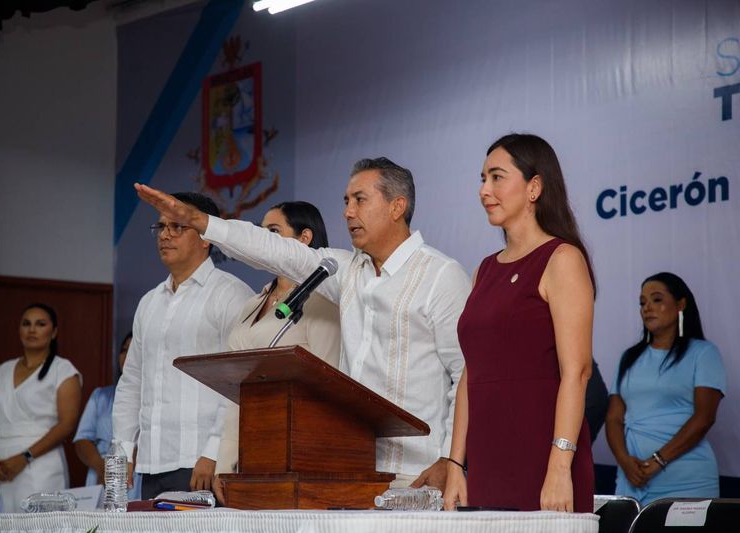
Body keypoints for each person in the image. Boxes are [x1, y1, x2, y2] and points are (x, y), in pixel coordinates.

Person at [135, 158, 470, 490]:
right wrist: (201, 222)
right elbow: (273, 250)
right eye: (345, 201)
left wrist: (450, 460)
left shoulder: (441, 275)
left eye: (359, 199)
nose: (348, 212)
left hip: (420, 475)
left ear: (397, 207)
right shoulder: (344, 270)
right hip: (354, 471)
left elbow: (465, 376)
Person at [445, 133, 595, 512]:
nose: (484, 190)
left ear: (534, 187)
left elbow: (576, 372)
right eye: (482, 179)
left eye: (497, 177)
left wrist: (560, 465)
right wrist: (455, 465)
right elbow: (470, 374)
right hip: (486, 463)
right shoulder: (485, 269)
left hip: (544, 461)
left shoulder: (562, 259)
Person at [113, 192, 253, 499]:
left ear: (205, 237)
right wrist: (122, 450)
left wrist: (214, 450)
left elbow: (239, 382)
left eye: (177, 227)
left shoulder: (231, 295)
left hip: (201, 462)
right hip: (151, 461)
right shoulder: (149, 302)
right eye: (160, 227)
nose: (164, 235)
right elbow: (132, 381)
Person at [214, 202, 341, 496]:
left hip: (298, 454)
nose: (263, 241)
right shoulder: (252, 304)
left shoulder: (322, 303)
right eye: (261, 232)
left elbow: (330, 385)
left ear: (304, 239)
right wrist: (225, 458)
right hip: (252, 449)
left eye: (273, 232)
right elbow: (238, 392)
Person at [605, 272, 725, 506]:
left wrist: (658, 461)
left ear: (680, 304)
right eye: (642, 302)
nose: (647, 307)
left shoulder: (703, 353)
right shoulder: (629, 357)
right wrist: (624, 460)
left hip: (687, 481)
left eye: (657, 299)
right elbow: (613, 418)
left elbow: (704, 418)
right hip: (633, 479)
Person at [0, 303, 82, 512]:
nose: (32, 329)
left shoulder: (62, 370)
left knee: (37, 523)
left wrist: (25, 457)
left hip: (40, 463)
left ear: (53, 332)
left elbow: (67, 424)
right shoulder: (2, 370)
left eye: (40, 324)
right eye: (26, 324)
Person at [73, 332, 141, 499]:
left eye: (133, 351)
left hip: (139, 475)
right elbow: (81, 441)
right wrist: (102, 467)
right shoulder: (101, 396)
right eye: (123, 351)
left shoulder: (157, 400)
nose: (127, 357)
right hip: (101, 473)